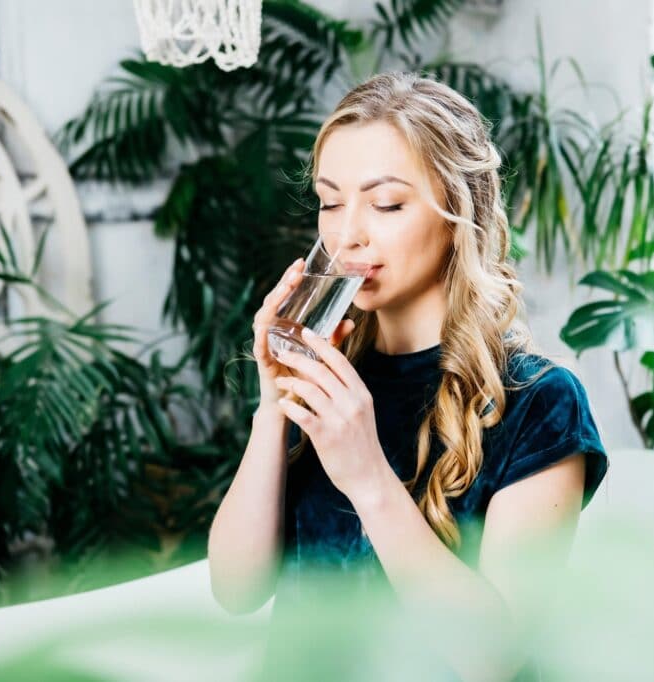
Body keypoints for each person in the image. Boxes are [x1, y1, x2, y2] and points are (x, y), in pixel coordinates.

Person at [207, 71, 608, 681]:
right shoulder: (329, 378)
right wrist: (273, 403)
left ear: (458, 213)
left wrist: (368, 477)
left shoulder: (541, 404)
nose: (347, 235)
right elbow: (235, 589)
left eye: (387, 203)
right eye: (331, 201)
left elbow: (492, 657)